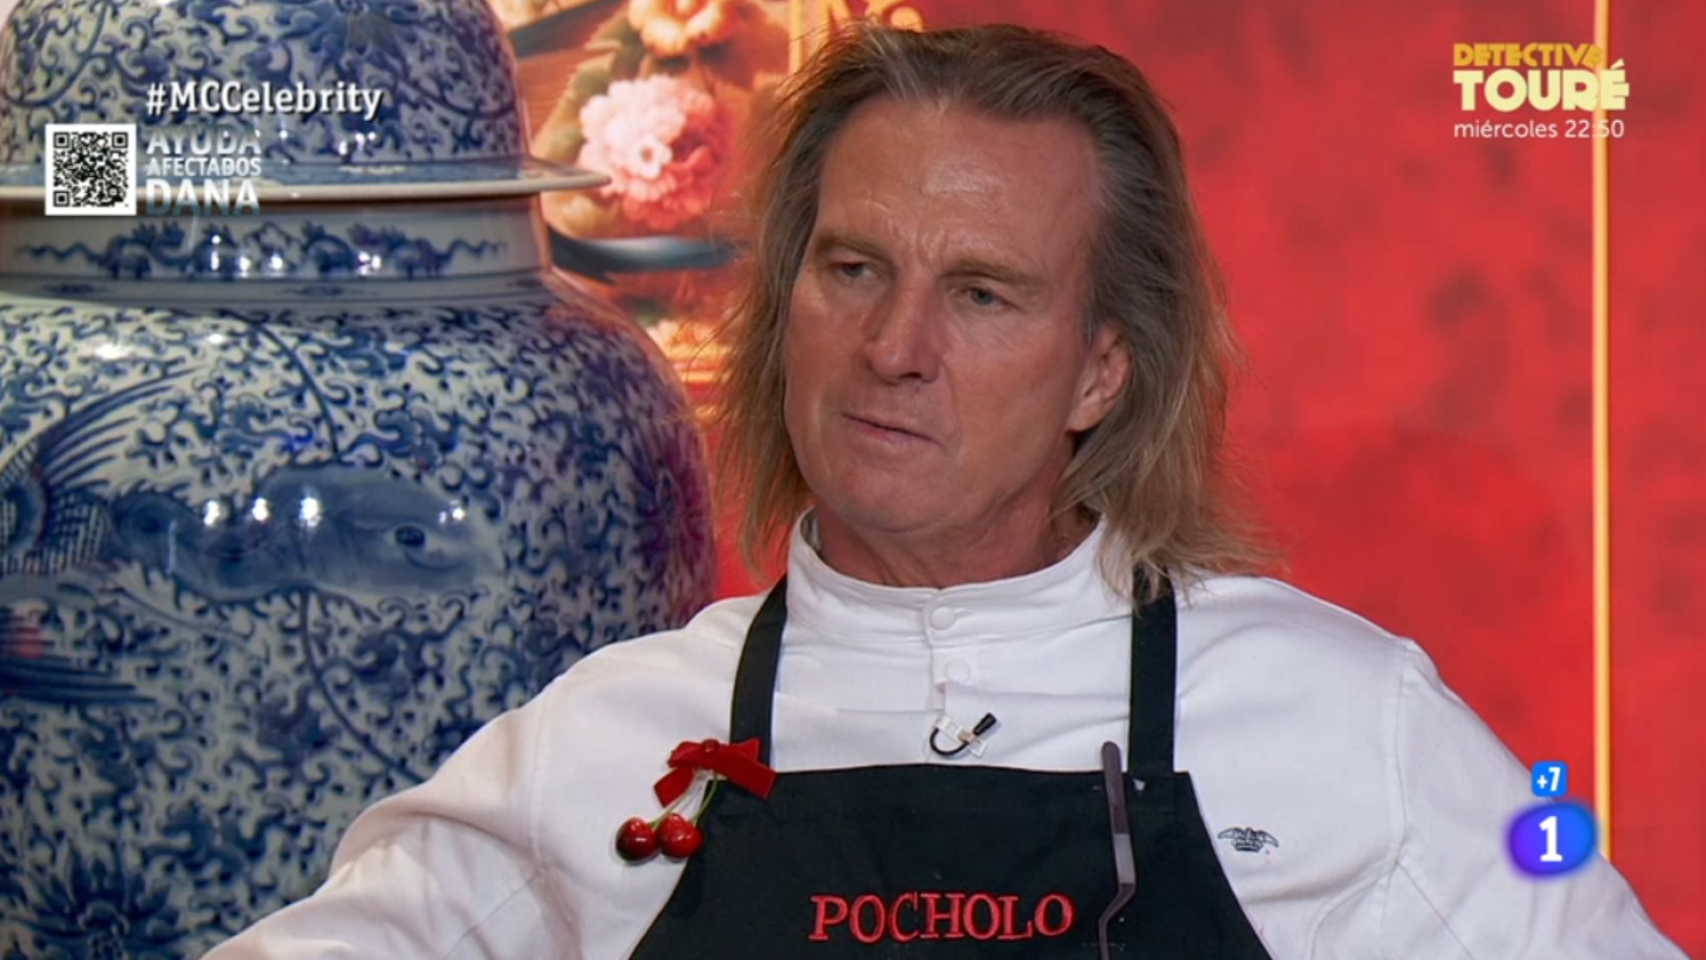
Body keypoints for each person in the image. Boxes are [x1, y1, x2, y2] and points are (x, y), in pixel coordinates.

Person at [205, 22, 1689, 960]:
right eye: (854, 269)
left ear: (1101, 370)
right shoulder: (612, 748)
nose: (893, 347)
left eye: (981, 294)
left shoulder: (1342, 722)